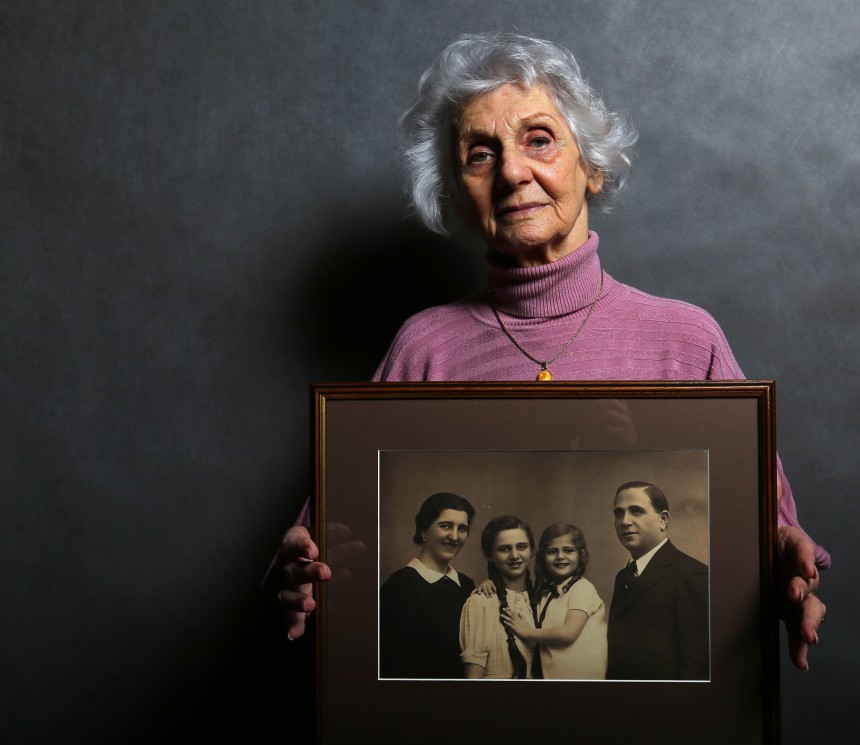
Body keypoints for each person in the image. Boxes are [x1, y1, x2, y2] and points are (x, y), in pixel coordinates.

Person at [270, 32, 829, 672]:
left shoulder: (687, 340)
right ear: (456, 194)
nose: (511, 171)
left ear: (591, 166)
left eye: (539, 140)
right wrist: (298, 574)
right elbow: (322, 548)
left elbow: (772, 533)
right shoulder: (425, 348)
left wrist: (784, 561)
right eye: (480, 155)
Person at [606, 481, 708, 680]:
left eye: (636, 511)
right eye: (619, 513)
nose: (625, 521)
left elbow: (696, 667)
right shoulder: (623, 577)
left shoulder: (693, 575)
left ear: (663, 519)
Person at [378, 492, 476, 679]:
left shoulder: (466, 584)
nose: (454, 536)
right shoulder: (401, 585)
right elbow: (395, 664)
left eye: (462, 528)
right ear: (423, 530)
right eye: (445, 526)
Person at [502, 523, 607, 680]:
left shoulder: (582, 588)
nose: (560, 556)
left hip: (584, 680)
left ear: (581, 555)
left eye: (568, 550)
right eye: (552, 551)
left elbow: (568, 633)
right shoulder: (545, 594)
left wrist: (528, 632)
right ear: (543, 557)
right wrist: (489, 583)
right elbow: (516, 592)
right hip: (554, 679)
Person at [458, 515, 537, 678]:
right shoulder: (480, 602)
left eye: (521, 546)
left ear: (532, 552)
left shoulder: (542, 601)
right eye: (504, 549)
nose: (514, 555)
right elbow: (473, 677)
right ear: (489, 555)